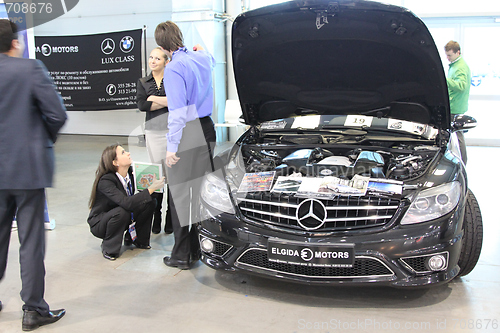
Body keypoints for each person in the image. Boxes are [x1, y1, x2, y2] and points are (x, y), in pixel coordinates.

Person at [0, 19, 67, 331]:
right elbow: (57, 114)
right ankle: (33, 310)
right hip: (28, 169)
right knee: (30, 242)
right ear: (15, 42)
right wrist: (42, 140)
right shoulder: (30, 69)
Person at [155, 21, 216, 270]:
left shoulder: (173, 68)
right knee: (200, 191)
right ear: (179, 36)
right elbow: (210, 57)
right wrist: (201, 49)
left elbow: (178, 113)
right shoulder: (201, 58)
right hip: (207, 128)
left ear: (161, 45)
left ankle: (181, 255)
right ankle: (196, 248)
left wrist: (171, 147)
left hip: (187, 134)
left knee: (180, 194)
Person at [87, 145, 164, 260]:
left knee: (149, 202)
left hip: (121, 214)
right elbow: (126, 202)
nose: (128, 153)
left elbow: (138, 198)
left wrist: (151, 185)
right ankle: (109, 248)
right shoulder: (106, 181)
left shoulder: (131, 173)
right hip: (101, 223)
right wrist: (151, 189)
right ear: (115, 162)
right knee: (122, 211)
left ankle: (138, 239)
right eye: (123, 153)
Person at [136, 47, 173, 234]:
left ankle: (171, 217)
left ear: (166, 61)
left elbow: (177, 101)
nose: (153, 61)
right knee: (158, 175)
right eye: (151, 57)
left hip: (173, 132)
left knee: (174, 175)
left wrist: (154, 99)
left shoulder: (172, 79)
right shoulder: (143, 81)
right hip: (153, 132)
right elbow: (142, 105)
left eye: (157, 58)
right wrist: (165, 101)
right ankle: (156, 215)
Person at [445, 40, 471, 165]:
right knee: (456, 136)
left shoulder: (460, 67)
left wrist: (445, 81)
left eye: (449, 55)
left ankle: (462, 163)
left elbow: (461, 86)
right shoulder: (455, 65)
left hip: (456, 107)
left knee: (458, 137)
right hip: (453, 105)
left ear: (458, 52)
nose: (447, 58)